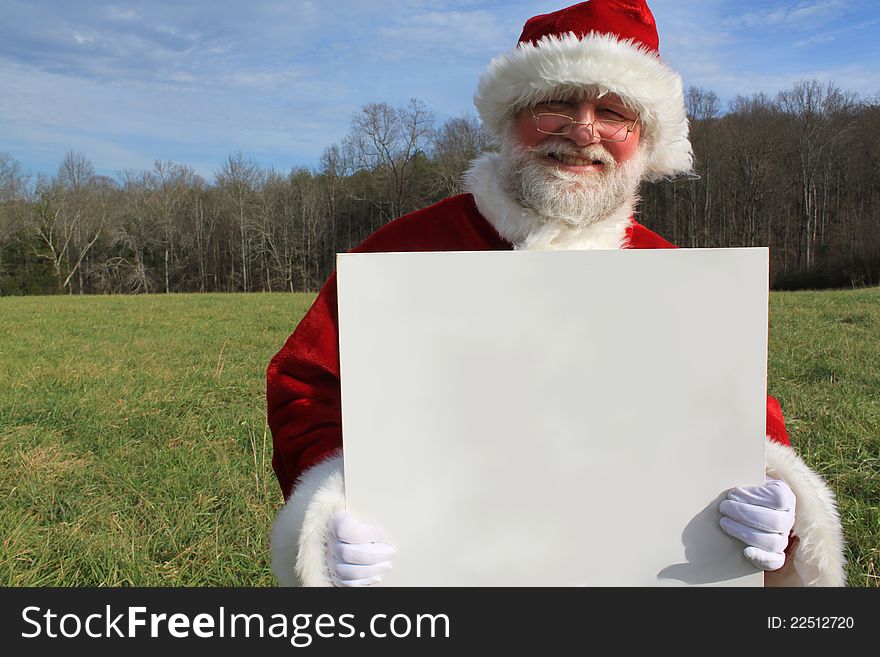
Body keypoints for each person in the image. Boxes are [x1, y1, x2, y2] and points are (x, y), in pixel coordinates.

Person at [267, 0, 846, 587]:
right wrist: (334, 500)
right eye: (556, 103)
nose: (583, 130)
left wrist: (777, 498)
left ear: (643, 138)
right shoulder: (404, 252)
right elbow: (307, 384)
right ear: (511, 117)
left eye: (614, 112)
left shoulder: (674, 276)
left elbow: (738, 416)